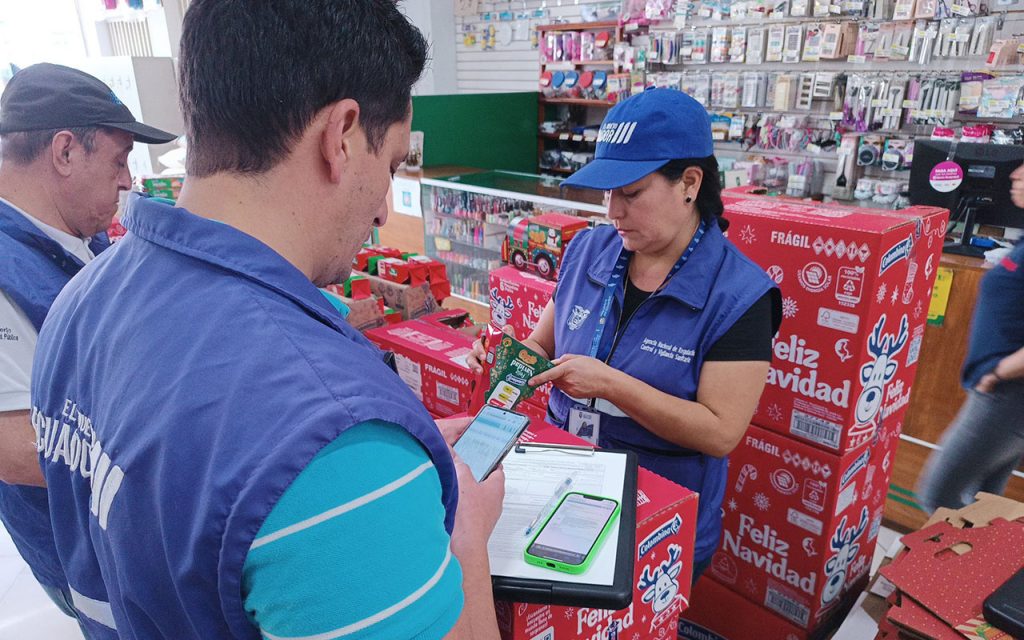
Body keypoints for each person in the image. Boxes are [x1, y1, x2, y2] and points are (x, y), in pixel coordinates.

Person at [31, 2, 504, 639]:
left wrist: (395, 464)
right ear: (341, 135)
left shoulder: (79, 303)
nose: (383, 211)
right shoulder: (337, 442)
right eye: (391, 165)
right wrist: (464, 533)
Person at [470, 88, 781, 581]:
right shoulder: (588, 250)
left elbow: (721, 431)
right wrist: (504, 355)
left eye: (631, 194)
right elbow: (542, 345)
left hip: (656, 513)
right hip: (563, 488)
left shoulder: (739, 296)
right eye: (607, 192)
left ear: (689, 183)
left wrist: (611, 385)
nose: (613, 211)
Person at [0, 63, 175, 621]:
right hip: (84, 555)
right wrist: (173, 453)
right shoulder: (6, 270)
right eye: (119, 160)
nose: (126, 181)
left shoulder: (74, 235)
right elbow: (14, 448)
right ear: (65, 152)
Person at [917, 161, 1024, 512]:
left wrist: (999, 372)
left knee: (937, 496)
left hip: (1007, 396)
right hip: (1003, 395)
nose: (1014, 174)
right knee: (981, 504)